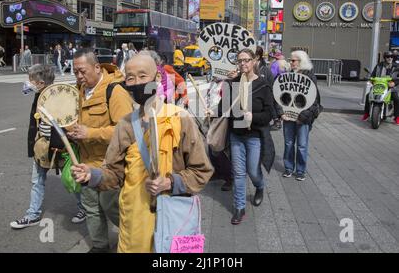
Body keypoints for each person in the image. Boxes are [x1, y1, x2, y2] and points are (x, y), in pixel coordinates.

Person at [71, 51, 213, 253]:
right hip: (134, 224)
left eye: (143, 76)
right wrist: (91, 175)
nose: (136, 82)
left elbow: (201, 171)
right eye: (130, 77)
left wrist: (170, 182)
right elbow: (114, 174)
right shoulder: (125, 125)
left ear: (156, 78)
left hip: (173, 220)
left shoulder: (180, 119)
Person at [67, 49, 133, 253]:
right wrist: (71, 131)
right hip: (85, 161)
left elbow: (126, 130)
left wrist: (90, 133)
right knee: (91, 209)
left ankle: (133, 241)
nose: (79, 76)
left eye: (82, 71)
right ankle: (99, 246)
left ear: (97, 68)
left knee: (112, 208)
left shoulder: (115, 92)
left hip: (109, 165)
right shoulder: (77, 91)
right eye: (75, 72)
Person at [10, 64, 85, 229]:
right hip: (42, 147)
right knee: (37, 182)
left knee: (73, 179)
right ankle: (33, 215)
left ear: (41, 82)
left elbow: (67, 122)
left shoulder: (59, 96)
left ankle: (84, 209)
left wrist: (64, 147)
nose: (28, 83)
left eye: (31, 80)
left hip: (61, 147)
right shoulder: (39, 96)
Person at [217, 49, 273, 225]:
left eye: (246, 60)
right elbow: (223, 108)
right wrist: (213, 112)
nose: (243, 64)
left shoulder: (263, 85)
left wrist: (253, 117)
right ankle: (239, 207)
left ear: (254, 61)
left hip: (254, 135)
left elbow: (269, 114)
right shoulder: (233, 83)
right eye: (240, 61)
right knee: (239, 172)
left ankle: (259, 186)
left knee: (252, 170)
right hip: (236, 135)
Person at [282, 51, 320, 181]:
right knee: (288, 143)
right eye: (290, 60)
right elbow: (279, 96)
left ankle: (300, 170)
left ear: (301, 61)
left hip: (303, 117)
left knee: (302, 145)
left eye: (293, 60)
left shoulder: (310, 77)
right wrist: (282, 113)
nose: (290, 63)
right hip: (288, 116)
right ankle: (288, 168)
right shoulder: (287, 75)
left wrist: (302, 117)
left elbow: (313, 101)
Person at [362, 51, 399, 125]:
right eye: (388, 57)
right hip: (379, 86)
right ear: (385, 58)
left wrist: (394, 83)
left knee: (396, 98)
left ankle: (397, 117)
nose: (390, 58)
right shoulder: (379, 65)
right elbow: (373, 74)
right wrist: (371, 80)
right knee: (368, 96)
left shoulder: (397, 66)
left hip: (391, 88)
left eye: (391, 57)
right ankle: (366, 114)